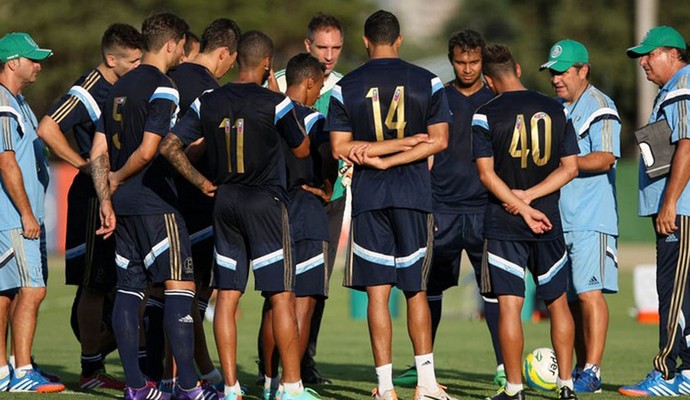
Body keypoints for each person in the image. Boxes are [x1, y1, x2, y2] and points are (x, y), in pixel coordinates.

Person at [160, 30, 318, 400]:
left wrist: (200, 181)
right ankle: (290, 388)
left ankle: (230, 388)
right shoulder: (275, 103)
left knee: (227, 297)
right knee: (281, 295)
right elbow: (302, 149)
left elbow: (170, 145)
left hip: (224, 201)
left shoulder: (207, 100)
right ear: (267, 64)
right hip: (264, 203)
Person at [328, 10, 455, 400]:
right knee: (415, 291)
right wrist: (402, 148)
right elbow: (439, 141)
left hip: (369, 198)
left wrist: (378, 158)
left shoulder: (344, 87)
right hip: (415, 197)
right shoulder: (428, 81)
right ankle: (427, 385)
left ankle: (385, 388)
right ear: (398, 41)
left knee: (378, 293)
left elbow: (339, 148)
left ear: (366, 42)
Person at [90, 12, 216, 400]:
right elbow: (148, 151)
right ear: (171, 44)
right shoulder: (164, 87)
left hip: (123, 207)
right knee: (180, 288)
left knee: (130, 290)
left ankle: (135, 387)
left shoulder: (116, 87)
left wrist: (107, 198)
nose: (183, 53)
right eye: (182, 46)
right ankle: (190, 388)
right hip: (156, 202)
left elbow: (98, 152)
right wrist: (119, 178)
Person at [394, 28, 504, 389]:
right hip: (440, 207)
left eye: (474, 62)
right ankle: (423, 366)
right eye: (461, 61)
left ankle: (505, 364)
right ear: (451, 60)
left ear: (482, 62)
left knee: (493, 291)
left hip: (484, 209)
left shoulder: (495, 98)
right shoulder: (436, 96)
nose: (468, 68)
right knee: (429, 289)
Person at [36, 23, 144, 390]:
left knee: (117, 283)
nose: (138, 65)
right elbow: (48, 128)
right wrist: (83, 164)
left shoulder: (122, 87)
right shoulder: (88, 89)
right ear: (111, 59)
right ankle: (90, 370)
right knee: (94, 284)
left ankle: (109, 357)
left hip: (114, 194)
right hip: (91, 196)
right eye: (132, 60)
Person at [472, 44, 579, 400]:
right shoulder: (556, 108)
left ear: (488, 80)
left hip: (505, 221)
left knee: (510, 306)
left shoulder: (485, 114)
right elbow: (570, 168)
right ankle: (566, 386)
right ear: (517, 68)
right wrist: (533, 200)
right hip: (547, 219)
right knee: (558, 303)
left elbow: (487, 176)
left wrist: (519, 202)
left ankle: (514, 389)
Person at [161, 17, 240, 394]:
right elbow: (186, 145)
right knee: (192, 294)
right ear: (224, 53)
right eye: (231, 61)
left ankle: (193, 371)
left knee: (167, 292)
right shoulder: (210, 92)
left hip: (159, 196)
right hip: (196, 202)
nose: (229, 69)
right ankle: (184, 377)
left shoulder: (169, 77)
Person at [538, 39, 621, 394]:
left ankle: (593, 369)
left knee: (589, 294)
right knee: (568, 299)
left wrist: (565, 165)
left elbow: (606, 157)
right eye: (552, 73)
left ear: (583, 71)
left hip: (592, 217)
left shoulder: (600, 105)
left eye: (562, 72)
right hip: (561, 219)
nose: (556, 79)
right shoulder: (555, 109)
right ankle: (578, 370)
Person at [266, 13, 345, 384]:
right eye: (322, 47)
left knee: (317, 288)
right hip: (286, 197)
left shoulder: (346, 88)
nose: (329, 56)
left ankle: (303, 362)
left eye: (336, 48)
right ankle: (274, 371)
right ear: (307, 46)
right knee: (279, 290)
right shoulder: (279, 86)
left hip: (331, 198)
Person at [619, 26, 690, 397]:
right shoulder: (671, 89)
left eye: (649, 54)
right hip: (679, 208)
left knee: (672, 292)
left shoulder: (682, 84)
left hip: (680, 210)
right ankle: (687, 372)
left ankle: (666, 372)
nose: (643, 62)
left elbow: (687, 146)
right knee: (683, 293)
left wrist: (670, 202)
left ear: (673, 54)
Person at [0, 31, 65, 393]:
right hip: (12, 217)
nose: (38, 65)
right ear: (13, 63)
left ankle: (5, 368)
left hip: (16, 216)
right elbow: (6, 161)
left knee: (7, 291)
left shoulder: (19, 101)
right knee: (32, 289)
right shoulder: (3, 104)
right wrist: (26, 213)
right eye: (32, 59)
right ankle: (22, 370)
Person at [260, 53, 327, 400]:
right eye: (319, 88)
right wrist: (328, 186)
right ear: (310, 83)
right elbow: (331, 152)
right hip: (306, 214)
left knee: (275, 304)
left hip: (270, 213)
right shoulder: (314, 119)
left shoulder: (268, 114)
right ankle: (292, 385)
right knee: (302, 303)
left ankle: (269, 381)